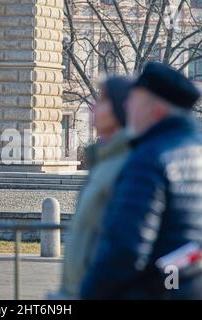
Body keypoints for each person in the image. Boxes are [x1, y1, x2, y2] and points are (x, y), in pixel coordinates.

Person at [80, 62, 202, 300]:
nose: (128, 106)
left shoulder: (149, 158)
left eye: (135, 100)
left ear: (157, 110)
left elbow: (125, 250)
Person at [58, 76, 134, 299]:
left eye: (102, 100)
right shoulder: (103, 161)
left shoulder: (127, 164)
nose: (93, 107)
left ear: (120, 109)